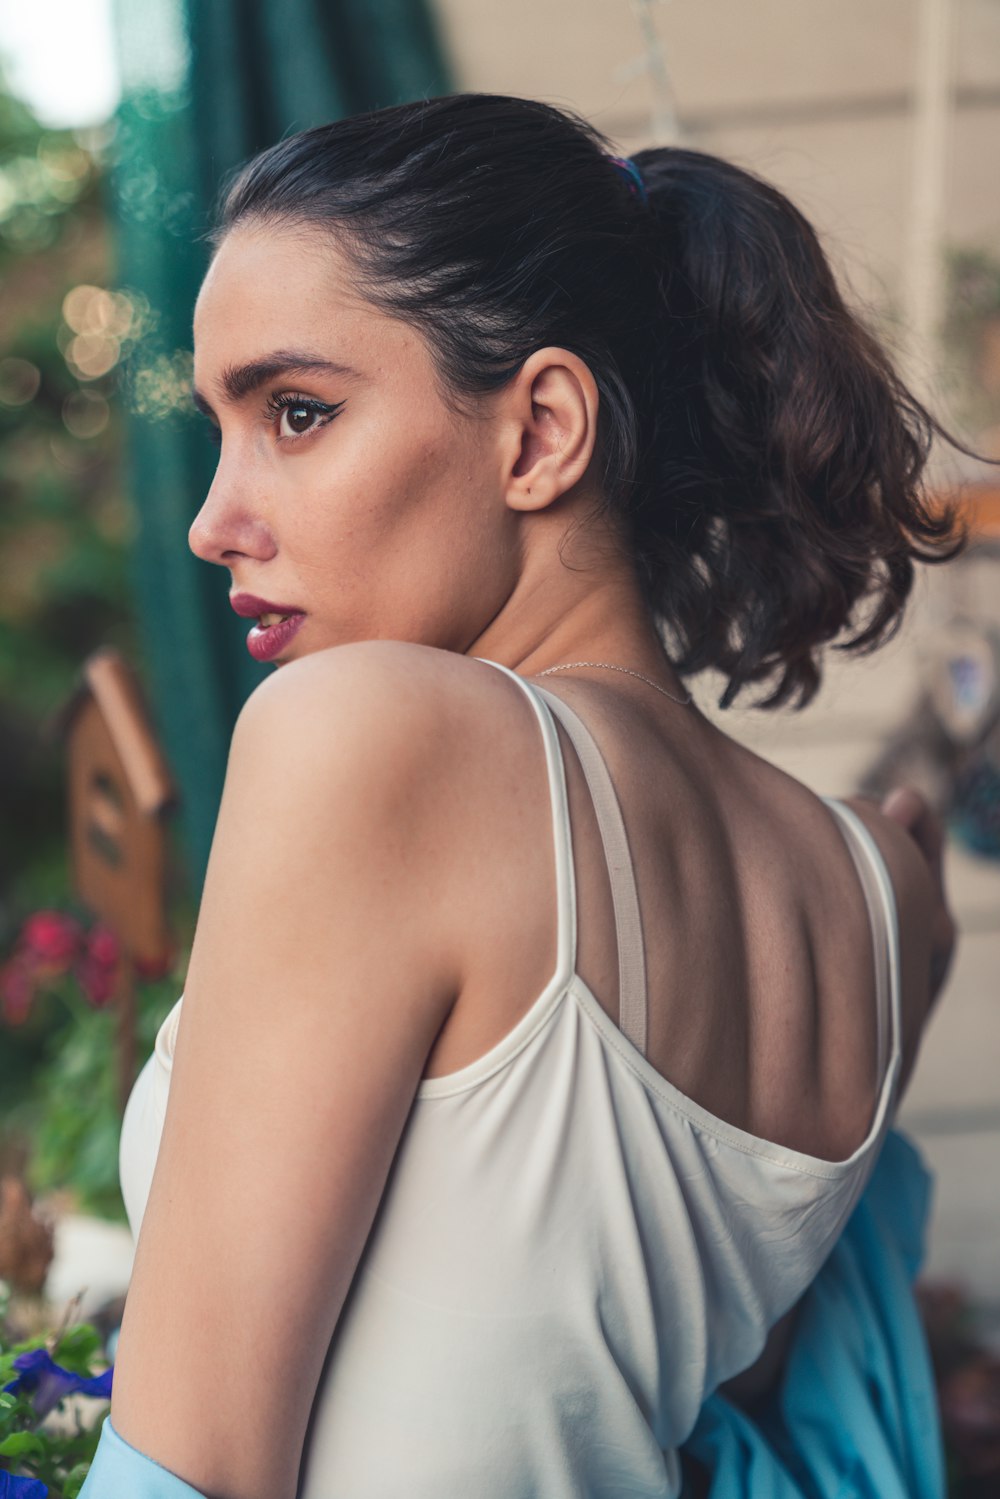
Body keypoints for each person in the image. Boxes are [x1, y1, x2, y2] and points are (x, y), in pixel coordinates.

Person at [78, 93, 962, 1498]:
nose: (213, 518)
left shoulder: (370, 735)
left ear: (542, 430)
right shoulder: (886, 896)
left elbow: (199, 1466)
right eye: (223, 427)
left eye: (298, 413)